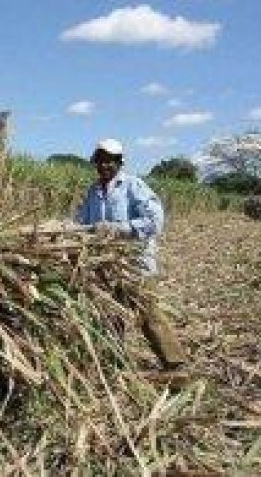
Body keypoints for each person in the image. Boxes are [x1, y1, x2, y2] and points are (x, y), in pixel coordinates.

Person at [75, 138, 188, 371]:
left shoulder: (133, 186)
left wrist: (119, 229)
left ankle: (175, 363)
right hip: (105, 265)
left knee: (148, 314)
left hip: (135, 264)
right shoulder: (93, 191)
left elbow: (155, 221)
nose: (104, 165)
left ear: (120, 162)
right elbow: (82, 223)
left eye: (110, 161)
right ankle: (114, 364)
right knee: (108, 315)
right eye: (100, 160)